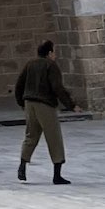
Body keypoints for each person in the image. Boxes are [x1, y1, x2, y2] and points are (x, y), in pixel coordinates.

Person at [14, 38, 79, 184]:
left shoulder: (29, 64)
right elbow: (57, 88)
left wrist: (21, 102)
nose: (55, 55)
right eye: (54, 52)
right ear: (49, 53)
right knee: (54, 137)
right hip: (45, 105)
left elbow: (19, 84)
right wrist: (71, 105)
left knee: (31, 135)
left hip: (29, 103)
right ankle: (57, 175)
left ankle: (22, 166)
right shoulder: (51, 66)